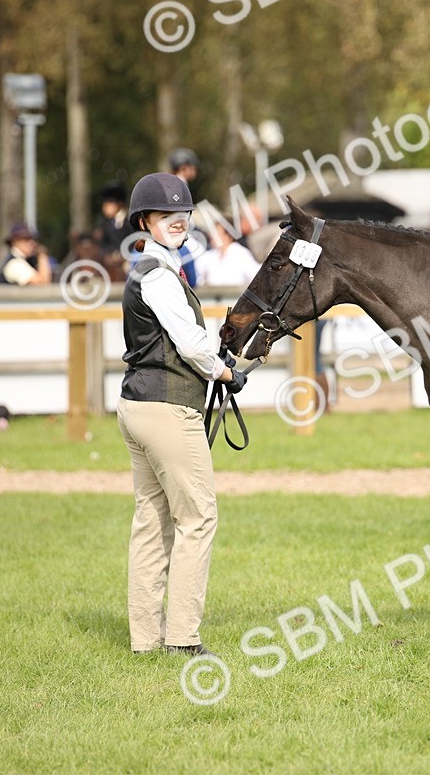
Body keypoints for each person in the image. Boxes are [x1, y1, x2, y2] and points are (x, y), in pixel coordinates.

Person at [117, 172, 247, 657]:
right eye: (165, 215)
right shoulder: (158, 275)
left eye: (183, 214)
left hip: (137, 404)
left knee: (152, 521)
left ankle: (145, 640)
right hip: (167, 410)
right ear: (145, 220)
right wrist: (223, 371)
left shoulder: (153, 268)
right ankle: (183, 639)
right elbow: (191, 343)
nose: (177, 220)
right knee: (198, 517)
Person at [193, 212, 261, 287]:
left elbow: (256, 277)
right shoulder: (209, 256)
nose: (212, 236)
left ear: (228, 235)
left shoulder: (241, 254)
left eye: (217, 233)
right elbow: (198, 279)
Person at [168, 148, 203, 285]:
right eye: (192, 167)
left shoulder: (175, 183)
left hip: (182, 228)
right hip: (179, 231)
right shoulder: (179, 185)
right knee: (201, 253)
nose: (194, 170)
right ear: (183, 167)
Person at [93, 181, 131, 281]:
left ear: (119, 204)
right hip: (109, 259)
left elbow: (134, 240)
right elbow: (102, 243)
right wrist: (107, 255)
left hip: (128, 259)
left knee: (131, 271)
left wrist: (124, 256)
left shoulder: (129, 220)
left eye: (108, 204)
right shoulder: (103, 223)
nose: (104, 208)